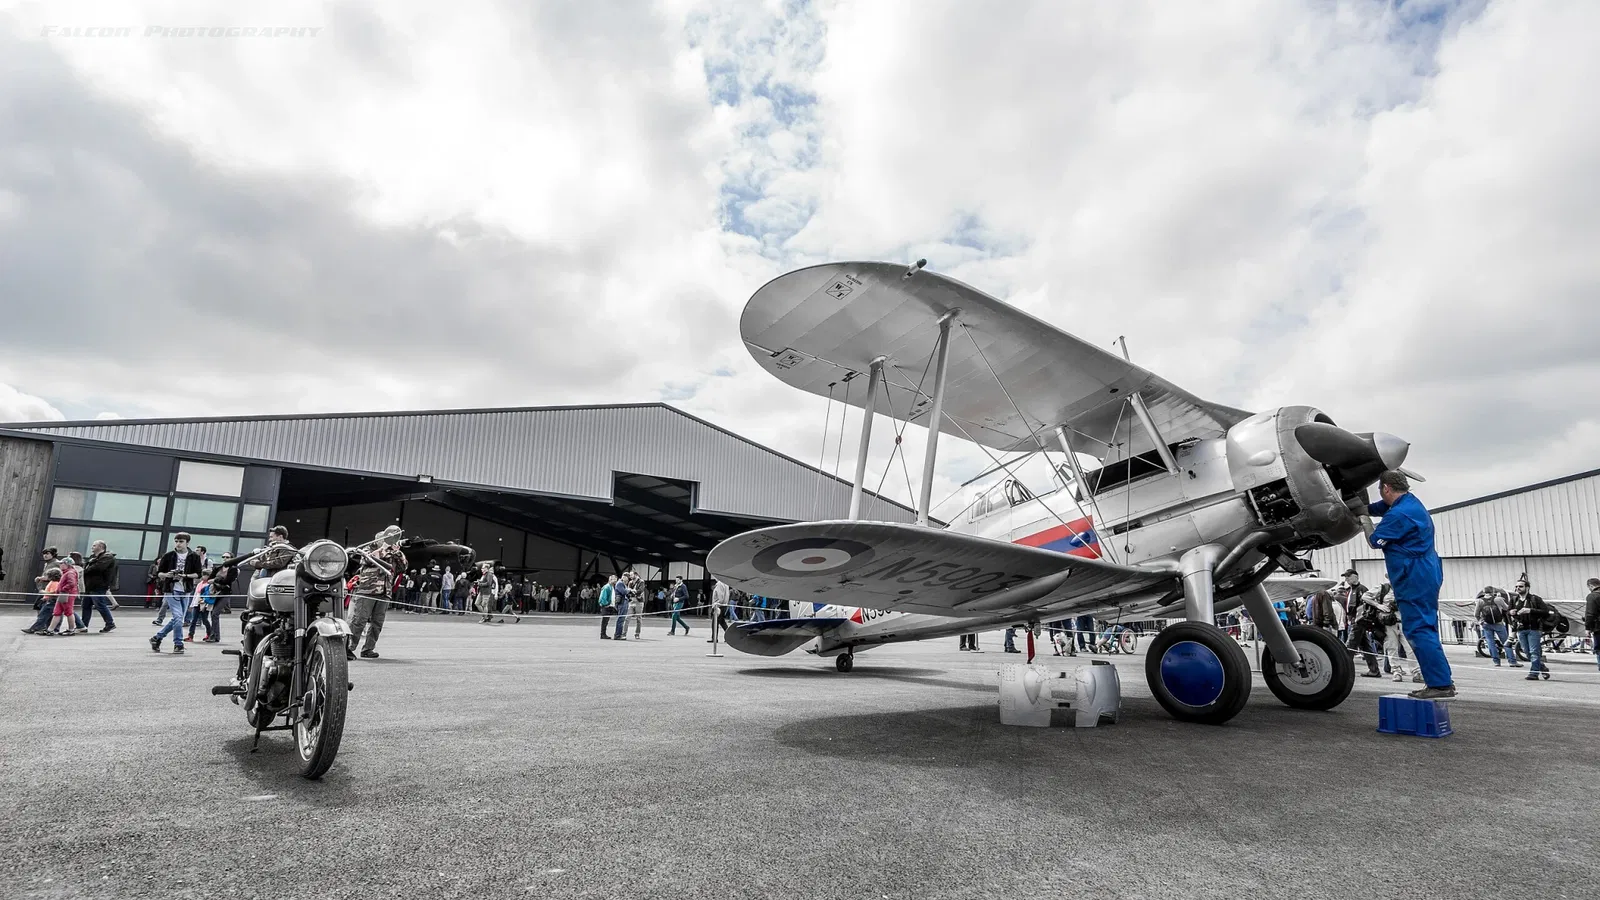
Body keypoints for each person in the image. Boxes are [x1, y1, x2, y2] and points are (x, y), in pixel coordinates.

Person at [1366, 470, 1455, 699]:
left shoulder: (1400, 515)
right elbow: (1381, 507)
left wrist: (1361, 519)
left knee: (1418, 629)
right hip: (1424, 571)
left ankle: (1440, 684)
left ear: (1386, 488)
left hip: (1414, 576)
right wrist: (1361, 507)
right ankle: (1441, 681)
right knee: (1424, 627)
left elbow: (1375, 541)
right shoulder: (1409, 503)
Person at [350, 526, 407, 658]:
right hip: (367, 590)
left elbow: (403, 567)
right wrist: (384, 548)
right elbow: (367, 560)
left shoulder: (393, 553)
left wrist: (397, 552)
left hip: (384, 592)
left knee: (377, 623)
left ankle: (368, 649)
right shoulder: (368, 549)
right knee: (359, 620)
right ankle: (349, 647)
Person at [151, 533, 202, 654]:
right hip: (171, 589)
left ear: (187, 543)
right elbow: (159, 573)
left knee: (178, 618)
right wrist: (167, 575)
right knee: (178, 617)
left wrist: (185, 576)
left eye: (181, 541)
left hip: (186, 590)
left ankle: (157, 637)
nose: (178, 544)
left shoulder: (194, 556)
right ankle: (178, 643)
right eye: (176, 541)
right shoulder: (168, 556)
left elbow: (198, 574)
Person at [1508, 578, 1552, 681]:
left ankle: (1534, 673)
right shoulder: (1514, 600)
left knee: (1534, 652)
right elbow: (1507, 612)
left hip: (1534, 628)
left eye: (1520, 586)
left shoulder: (1535, 599)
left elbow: (1546, 612)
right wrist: (1511, 612)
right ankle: (1542, 667)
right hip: (1520, 628)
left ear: (1527, 588)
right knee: (1526, 652)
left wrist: (1530, 610)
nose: (1518, 588)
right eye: (1516, 586)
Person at [79, 540, 118, 633]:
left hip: (99, 585)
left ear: (100, 547)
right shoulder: (94, 557)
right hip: (90, 585)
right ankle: (83, 625)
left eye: (94, 545)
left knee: (100, 604)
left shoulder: (107, 557)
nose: (92, 547)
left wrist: (87, 569)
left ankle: (110, 623)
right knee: (86, 605)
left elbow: (98, 568)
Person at [1474, 585, 1517, 667]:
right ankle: (1512, 661)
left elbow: (1476, 614)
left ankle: (1496, 661)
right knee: (1506, 642)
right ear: (1493, 591)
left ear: (1484, 592)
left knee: (1490, 643)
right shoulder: (1498, 599)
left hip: (1486, 624)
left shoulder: (1480, 601)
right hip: (1499, 624)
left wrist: (1481, 622)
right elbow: (1506, 608)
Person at [1583, 577, 1600, 673]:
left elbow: (1590, 614)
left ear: (1590, 586)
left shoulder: (1592, 596)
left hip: (1598, 628)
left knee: (1599, 649)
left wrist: (1587, 628)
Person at [612, 573, 634, 640]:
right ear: (624, 577)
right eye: (627, 578)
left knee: (622, 619)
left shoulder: (622, 583)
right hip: (622, 603)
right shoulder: (620, 583)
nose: (628, 580)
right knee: (621, 619)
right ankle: (617, 635)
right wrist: (629, 590)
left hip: (624, 602)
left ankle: (619, 634)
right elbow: (624, 592)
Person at [598, 575, 617, 639]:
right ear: (610, 579)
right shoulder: (607, 587)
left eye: (616, 579)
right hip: (606, 607)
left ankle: (603, 634)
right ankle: (602, 634)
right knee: (605, 621)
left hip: (609, 606)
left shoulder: (611, 587)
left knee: (606, 621)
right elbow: (602, 598)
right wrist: (606, 604)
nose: (615, 581)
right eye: (614, 579)